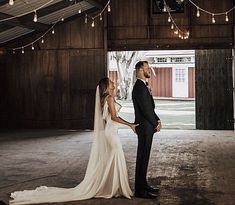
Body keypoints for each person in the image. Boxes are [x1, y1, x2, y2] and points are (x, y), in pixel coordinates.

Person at [10, 77, 138, 205]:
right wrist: (130, 125)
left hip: (110, 132)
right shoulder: (109, 98)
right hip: (111, 133)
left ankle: (112, 186)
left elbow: (110, 117)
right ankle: (113, 187)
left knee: (113, 158)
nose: (113, 83)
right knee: (116, 157)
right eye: (111, 82)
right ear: (106, 86)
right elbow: (114, 117)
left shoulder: (106, 98)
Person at [132, 61, 162, 199]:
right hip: (144, 127)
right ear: (139, 70)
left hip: (147, 126)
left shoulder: (144, 86)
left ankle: (144, 185)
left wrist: (158, 120)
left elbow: (151, 107)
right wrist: (155, 123)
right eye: (146, 68)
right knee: (142, 158)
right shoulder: (139, 87)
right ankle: (139, 190)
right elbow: (145, 110)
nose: (149, 70)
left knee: (145, 157)